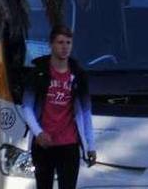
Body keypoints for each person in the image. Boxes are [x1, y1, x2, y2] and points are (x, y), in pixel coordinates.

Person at [21, 25, 96, 189]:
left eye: (68, 43)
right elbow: (26, 107)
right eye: (60, 42)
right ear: (51, 44)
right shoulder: (38, 73)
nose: (65, 47)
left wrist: (91, 146)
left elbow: (85, 112)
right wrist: (38, 132)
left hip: (69, 145)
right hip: (44, 144)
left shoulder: (78, 75)